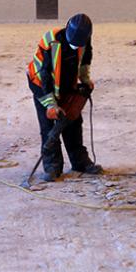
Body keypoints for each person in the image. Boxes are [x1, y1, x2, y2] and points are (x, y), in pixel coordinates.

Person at [27, 13, 102, 182]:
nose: (76, 47)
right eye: (73, 44)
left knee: (73, 123)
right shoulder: (51, 41)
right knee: (49, 129)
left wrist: (84, 79)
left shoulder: (84, 38)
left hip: (66, 85)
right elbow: (45, 75)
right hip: (40, 85)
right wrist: (51, 105)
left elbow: (86, 58)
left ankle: (79, 162)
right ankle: (52, 166)